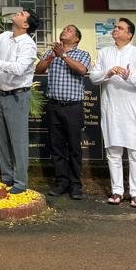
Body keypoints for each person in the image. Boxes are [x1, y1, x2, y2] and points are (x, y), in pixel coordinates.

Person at [0, 8, 41, 195]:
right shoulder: (5, 36)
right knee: (1, 138)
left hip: (17, 96)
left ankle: (20, 182)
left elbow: (20, 69)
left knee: (18, 140)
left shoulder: (28, 44)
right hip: (0, 94)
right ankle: (6, 178)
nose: (18, 13)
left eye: (22, 14)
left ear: (26, 25)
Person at [90, 18, 136, 206]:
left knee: (134, 152)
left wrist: (128, 76)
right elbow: (94, 77)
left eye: (120, 28)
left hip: (132, 110)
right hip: (111, 109)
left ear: (129, 34)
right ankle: (117, 191)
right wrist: (108, 74)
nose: (115, 29)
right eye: (115, 27)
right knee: (113, 151)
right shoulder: (104, 53)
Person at [35, 24, 91, 200]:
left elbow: (82, 70)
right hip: (54, 106)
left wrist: (63, 56)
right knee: (57, 147)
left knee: (74, 148)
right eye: (64, 29)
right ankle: (61, 183)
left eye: (69, 30)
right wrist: (52, 56)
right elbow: (39, 69)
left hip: (73, 107)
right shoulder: (53, 52)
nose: (64, 31)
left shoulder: (83, 54)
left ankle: (75, 185)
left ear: (76, 39)